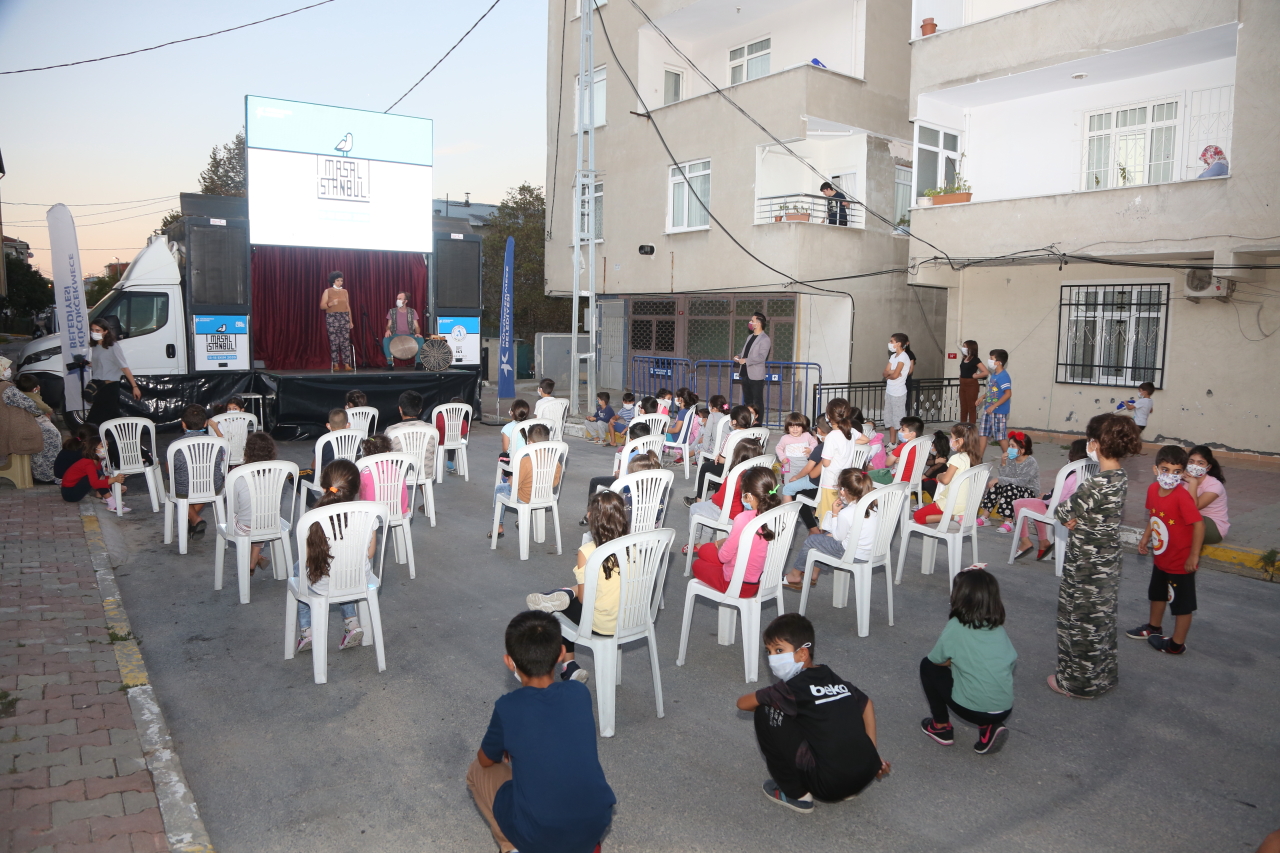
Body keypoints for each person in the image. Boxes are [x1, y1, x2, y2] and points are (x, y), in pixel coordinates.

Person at [466, 610, 615, 853]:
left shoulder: (508, 707)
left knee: (476, 771)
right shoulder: (579, 693)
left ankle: (513, 847)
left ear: (509, 662)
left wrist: (508, 745)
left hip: (539, 835)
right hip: (595, 823)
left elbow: (485, 760)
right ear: (560, 655)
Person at [736, 614, 889, 812]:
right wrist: (872, 754)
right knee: (833, 710)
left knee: (765, 711)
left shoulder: (790, 689)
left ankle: (796, 794)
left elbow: (742, 703)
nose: (772, 658)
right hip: (864, 774)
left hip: (828, 786)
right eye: (769, 651)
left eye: (779, 650)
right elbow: (867, 704)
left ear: (802, 654)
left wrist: (770, 696)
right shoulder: (831, 677)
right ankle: (850, 780)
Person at [1049, 413, 1143, 699]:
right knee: (1101, 619)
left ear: (1099, 444)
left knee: (1080, 622)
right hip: (1108, 559)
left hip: (1086, 563)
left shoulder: (1096, 483)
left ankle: (1078, 684)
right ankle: (1102, 676)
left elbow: (1062, 511)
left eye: (1092, 440)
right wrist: (1079, 516)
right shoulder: (1120, 477)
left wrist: (1073, 516)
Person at [525, 488, 631, 684]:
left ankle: (569, 667)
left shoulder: (588, 551)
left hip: (603, 624)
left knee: (559, 610)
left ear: (591, 517)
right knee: (574, 596)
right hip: (631, 620)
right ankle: (564, 592)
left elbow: (584, 599)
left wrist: (574, 591)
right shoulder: (635, 548)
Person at [919, 568, 1017, 755]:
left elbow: (937, 660)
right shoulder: (998, 629)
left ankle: (940, 726)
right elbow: (1008, 663)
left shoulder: (957, 626)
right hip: (1003, 708)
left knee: (927, 666)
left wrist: (952, 663)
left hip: (972, 709)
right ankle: (989, 727)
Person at [1128, 446, 1204, 655]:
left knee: (1181, 603)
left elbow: (1199, 525)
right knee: (1158, 594)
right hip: (1162, 556)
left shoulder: (1182, 496)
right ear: (1156, 470)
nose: (1170, 476)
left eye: (1177, 472)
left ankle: (1176, 644)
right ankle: (1154, 628)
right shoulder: (1152, 490)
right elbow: (1154, 517)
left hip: (1180, 561)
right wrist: (1145, 538)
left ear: (1183, 473)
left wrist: (1194, 555)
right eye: (1165, 469)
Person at [293, 460, 370, 654]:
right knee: (345, 568)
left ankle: (306, 632)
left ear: (322, 486)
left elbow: (310, 558)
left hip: (322, 583)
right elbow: (369, 554)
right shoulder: (366, 514)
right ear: (356, 487)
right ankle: (352, 623)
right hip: (358, 579)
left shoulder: (312, 519)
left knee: (297, 569)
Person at [690, 467, 781, 597]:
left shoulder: (744, 518)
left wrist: (722, 544)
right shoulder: (777, 515)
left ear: (749, 496)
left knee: (697, 564)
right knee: (705, 550)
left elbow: (723, 557)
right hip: (759, 578)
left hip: (737, 584)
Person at [786, 467, 877, 590]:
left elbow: (839, 537)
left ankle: (795, 575)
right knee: (824, 538)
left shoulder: (847, 513)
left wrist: (835, 514)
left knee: (812, 540)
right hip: (867, 552)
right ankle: (813, 573)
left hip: (850, 553)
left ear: (843, 491)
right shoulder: (873, 507)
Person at [1012, 439, 1088, 561]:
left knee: (1018, 503)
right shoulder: (1088, 471)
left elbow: (1057, 497)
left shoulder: (1069, 474)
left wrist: (1046, 497)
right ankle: (1043, 542)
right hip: (1074, 509)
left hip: (1058, 509)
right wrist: (1047, 496)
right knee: (1036, 505)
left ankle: (1025, 541)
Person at [492, 424, 563, 539]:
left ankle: (498, 525)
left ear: (529, 442)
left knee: (499, 488)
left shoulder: (524, 460)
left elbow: (515, 485)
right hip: (544, 496)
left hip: (525, 497)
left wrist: (510, 481)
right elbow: (555, 483)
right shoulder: (555, 461)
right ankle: (522, 521)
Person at [686, 437, 761, 528]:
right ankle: (703, 540)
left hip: (729, 515)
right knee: (708, 507)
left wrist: (712, 498)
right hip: (746, 514)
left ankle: (696, 539)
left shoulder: (734, 476)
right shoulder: (757, 476)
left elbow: (719, 500)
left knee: (695, 508)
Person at [913, 423, 980, 525]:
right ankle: (957, 517)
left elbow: (945, 480)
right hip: (967, 504)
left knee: (917, 516)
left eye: (952, 438)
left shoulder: (957, 458)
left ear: (960, 441)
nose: (950, 441)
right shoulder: (975, 459)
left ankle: (954, 517)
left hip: (952, 503)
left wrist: (939, 476)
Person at [234, 432, 279, 575]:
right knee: (260, 518)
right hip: (270, 523)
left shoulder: (238, 475)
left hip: (245, 526)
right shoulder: (278, 472)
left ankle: (252, 558)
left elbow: (236, 508)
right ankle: (254, 558)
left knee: (244, 518)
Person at [84, 319, 143, 428]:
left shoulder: (113, 346)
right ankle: (115, 439)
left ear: (105, 331)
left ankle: (96, 440)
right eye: (92, 330)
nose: (94, 333)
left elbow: (124, 367)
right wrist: (88, 363)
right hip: (99, 385)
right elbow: (102, 363)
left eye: (98, 330)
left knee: (96, 419)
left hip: (109, 386)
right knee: (108, 418)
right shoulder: (96, 346)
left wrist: (134, 386)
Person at [977, 430, 1040, 531]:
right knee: (997, 485)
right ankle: (985, 517)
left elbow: (1022, 482)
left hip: (1029, 492)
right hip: (1014, 488)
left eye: (1013, 446)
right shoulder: (1011, 459)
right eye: (1009, 445)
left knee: (1009, 487)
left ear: (1022, 450)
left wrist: (1000, 479)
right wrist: (1003, 463)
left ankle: (1009, 521)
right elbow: (1005, 476)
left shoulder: (1031, 462)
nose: (1009, 449)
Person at [690, 404, 753, 503]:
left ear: (734, 421)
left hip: (730, 470)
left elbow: (723, 460)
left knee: (705, 467)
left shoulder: (731, 435)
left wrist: (719, 457)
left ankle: (699, 500)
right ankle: (717, 497)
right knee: (718, 470)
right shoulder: (752, 434)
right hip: (746, 470)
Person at [6, 373, 61, 484]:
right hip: (26, 424)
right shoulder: (28, 395)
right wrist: (49, 411)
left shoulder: (17, 392)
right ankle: (46, 475)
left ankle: (48, 472)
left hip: (23, 421)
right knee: (52, 436)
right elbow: (40, 407)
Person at [782, 417, 828, 534]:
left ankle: (808, 527)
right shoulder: (843, 445)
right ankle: (819, 525)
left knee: (793, 491)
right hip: (834, 485)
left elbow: (811, 473)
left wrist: (796, 477)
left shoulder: (821, 448)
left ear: (819, 430)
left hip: (821, 486)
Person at [817, 398, 857, 523]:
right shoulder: (850, 432)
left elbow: (826, 463)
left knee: (828, 517)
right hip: (844, 481)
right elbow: (865, 439)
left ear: (828, 416)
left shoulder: (831, 436)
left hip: (830, 481)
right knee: (840, 512)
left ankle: (828, 540)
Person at [1182, 445, 1229, 546]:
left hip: (1213, 526)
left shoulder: (1215, 485)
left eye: (1200, 463)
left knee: (1177, 524)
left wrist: (1193, 483)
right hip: (1194, 520)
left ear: (1208, 467)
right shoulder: (1183, 481)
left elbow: (1194, 507)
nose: (1195, 465)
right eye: (1191, 461)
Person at [60, 435, 126, 505]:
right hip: (70, 494)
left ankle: (108, 499)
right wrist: (114, 479)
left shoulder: (97, 462)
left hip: (74, 490)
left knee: (100, 475)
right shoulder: (88, 463)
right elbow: (95, 483)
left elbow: (102, 478)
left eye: (107, 445)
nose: (106, 448)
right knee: (97, 474)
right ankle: (112, 503)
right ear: (93, 448)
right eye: (102, 446)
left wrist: (116, 482)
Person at [733, 312, 772, 421]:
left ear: (758, 323)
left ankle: (758, 424)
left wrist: (746, 360)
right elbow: (746, 353)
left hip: (756, 376)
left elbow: (761, 357)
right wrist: (739, 356)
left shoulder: (765, 339)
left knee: (757, 402)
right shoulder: (750, 337)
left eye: (752, 321)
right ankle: (747, 421)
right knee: (748, 401)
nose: (750, 323)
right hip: (745, 373)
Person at [976, 349, 1012, 461]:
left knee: (1001, 437)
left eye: (992, 358)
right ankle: (978, 458)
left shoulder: (1004, 376)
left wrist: (994, 405)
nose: (989, 361)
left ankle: (1011, 459)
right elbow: (992, 391)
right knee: (983, 434)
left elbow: (1008, 394)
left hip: (998, 411)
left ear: (999, 362)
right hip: (988, 410)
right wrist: (983, 397)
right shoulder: (994, 376)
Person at [870, 415, 924, 485]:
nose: (899, 431)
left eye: (903, 429)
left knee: (867, 476)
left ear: (912, 434)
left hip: (897, 478)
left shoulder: (903, 446)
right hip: (912, 479)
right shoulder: (921, 445)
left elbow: (888, 463)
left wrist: (894, 459)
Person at [319, 271, 353, 372]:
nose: (340, 282)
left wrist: (350, 320)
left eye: (341, 280)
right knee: (334, 341)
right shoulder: (327, 291)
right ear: (333, 280)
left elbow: (348, 307)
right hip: (332, 317)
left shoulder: (345, 292)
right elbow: (322, 306)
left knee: (345, 341)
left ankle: (347, 364)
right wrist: (331, 303)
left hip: (344, 317)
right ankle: (335, 364)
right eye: (338, 280)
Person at [882, 334, 912, 443]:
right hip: (889, 391)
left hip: (898, 393)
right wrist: (891, 372)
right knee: (890, 419)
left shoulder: (904, 357)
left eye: (892, 341)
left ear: (898, 344)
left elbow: (895, 376)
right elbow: (885, 373)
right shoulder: (893, 356)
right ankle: (892, 443)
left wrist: (892, 373)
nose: (890, 343)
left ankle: (901, 444)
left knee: (899, 421)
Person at [382, 291, 423, 368]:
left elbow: (417, 326)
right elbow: (388, 325)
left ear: (405, 301)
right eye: (397, 298)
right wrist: (388, 330)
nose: (398, 300)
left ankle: (418, 363)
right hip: (395, 335)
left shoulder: (412, 311)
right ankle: (390, 363)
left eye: (400, 299)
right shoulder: (392, 311)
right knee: (385, 339)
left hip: (410, 335)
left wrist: (417, 333)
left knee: (420, 340)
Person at [775, 411, 818, 482]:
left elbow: (814, 442)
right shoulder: (785, 438)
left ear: (803, 427)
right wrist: (782, 457)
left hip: (804, 464)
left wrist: (810, 448)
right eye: (792, 427)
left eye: (798, 426)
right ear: (787, 427)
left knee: (804, 482)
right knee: (789, 482)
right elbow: (778, 448)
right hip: (790, 466)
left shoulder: (806, 435)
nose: (795, 429)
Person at [957, 339, 989, 424]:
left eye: (965, 346)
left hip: (971, 384)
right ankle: (962, 426)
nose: (963, 348)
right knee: (963, 407)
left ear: (970, 348)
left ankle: (971, 427)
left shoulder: (975, 359)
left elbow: (985, 372)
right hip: (963, 384)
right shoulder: (964, 358)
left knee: (971, 407)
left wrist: (976, 376)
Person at [435, 396, 470, 472]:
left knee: (449, 438)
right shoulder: (463, 422)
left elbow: (436, 430)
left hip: (440, 440)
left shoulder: (439, 416)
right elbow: (461, 436)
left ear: (449, 407)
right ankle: (450, 461)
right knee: (455, 439)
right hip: (454, 441)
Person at [500, 399, 531, 464]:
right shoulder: (530, 425)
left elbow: (505, 449)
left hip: (515, 461)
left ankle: (509, 474)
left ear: (511, 412)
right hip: (530, 459)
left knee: (502, 456)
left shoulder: (507, 427)